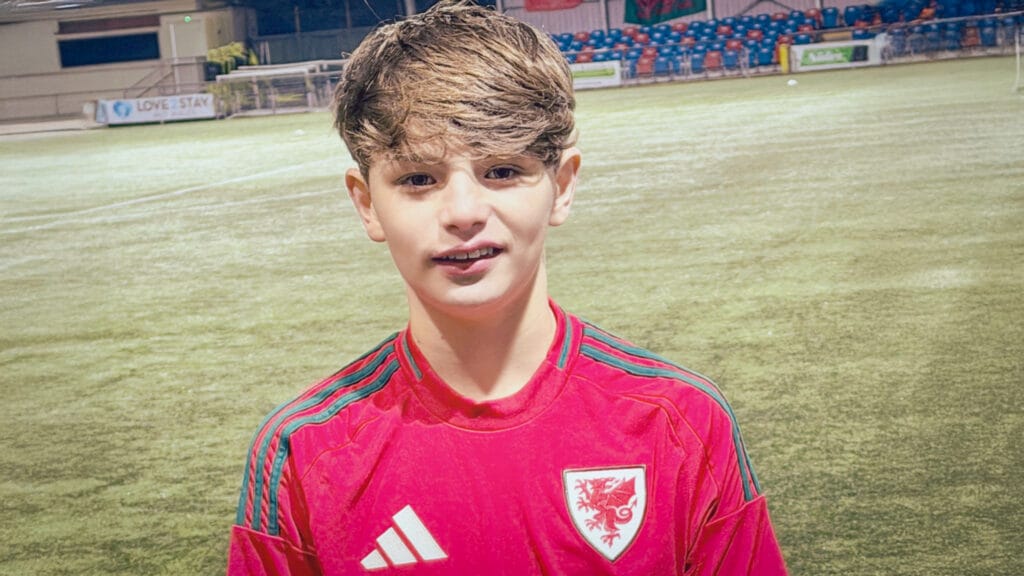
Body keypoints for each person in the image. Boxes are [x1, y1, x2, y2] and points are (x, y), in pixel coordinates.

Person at [227, 1, 787, 574]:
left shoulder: (680, 420)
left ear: (561, 187)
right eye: (418, 178)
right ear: (367, 204)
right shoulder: (303, 452)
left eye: (501, 171)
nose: (463, 213)